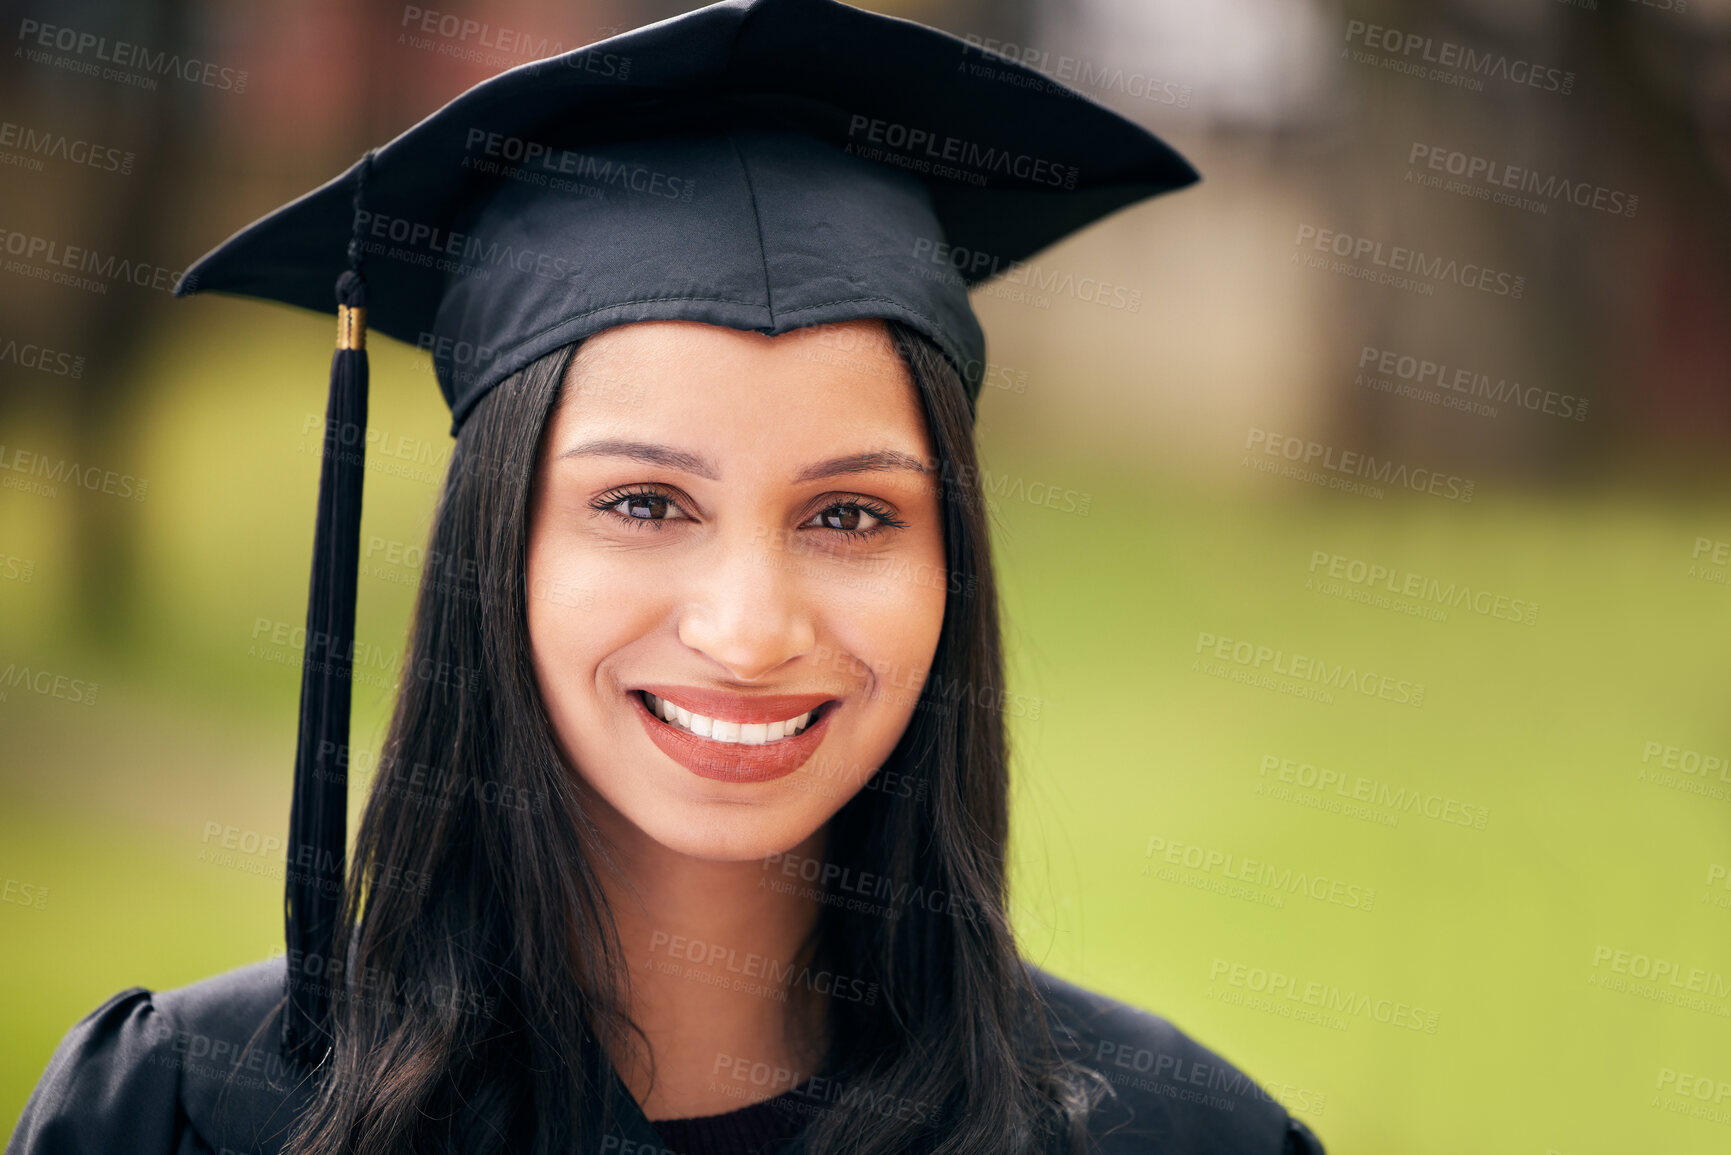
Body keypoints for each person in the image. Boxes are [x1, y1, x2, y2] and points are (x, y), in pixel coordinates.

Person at [7, 2, 1326, 1153]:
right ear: (494, 549)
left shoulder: (1174, 1133)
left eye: (853, 513)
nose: (749, 628)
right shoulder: (185, 1119)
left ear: (954, 564)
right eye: (643, 503)